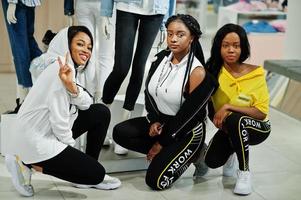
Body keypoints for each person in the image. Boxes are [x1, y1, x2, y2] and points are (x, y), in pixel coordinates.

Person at [5, 26, 121, 197]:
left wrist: (72, 88)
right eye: (80, 44)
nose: (86, 51)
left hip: (45, 131)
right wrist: (70, 154)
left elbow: (86, 102)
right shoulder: (58, 71)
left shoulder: (69, 69)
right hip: (35, 139)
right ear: (67, 45)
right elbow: (58, 121)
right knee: (96, 174)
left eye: (89, 47)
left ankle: (83, 169)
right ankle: (25, 163)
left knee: (100, 112)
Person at [112, 14, 218, 190]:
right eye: (170, 34)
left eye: (180, 34)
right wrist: (154, 119)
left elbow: (188, 116)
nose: (173, 39)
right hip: (163, 123)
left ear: (192, 38)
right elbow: (149, 93)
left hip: (187, 129)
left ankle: (198, 154)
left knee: (156, 181)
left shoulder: (197, 72)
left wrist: (161, 144)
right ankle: (173, 153)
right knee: (120, 133)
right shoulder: (160, 58)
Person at [100, 0, 176, 154]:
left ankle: (123, 128)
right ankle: (101, 120)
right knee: (121, 68)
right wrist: (105, 12)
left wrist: (167, 22)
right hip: (128, 6)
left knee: (139, 68)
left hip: (156, 10)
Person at [203, 23, 271, 195]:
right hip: (228, 127)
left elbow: (261, 112)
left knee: (235, 118)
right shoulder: (212, 72)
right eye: (225, 46)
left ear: (243, 48)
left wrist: (228, 106)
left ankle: (244, 172)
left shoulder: (255, 74)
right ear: (219, 47)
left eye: (236, 46)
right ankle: (233, 150)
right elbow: (209, 107)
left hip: (258, 127)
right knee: (211, 161)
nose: (231, 50)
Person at [1, 0, 42, 113]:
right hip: (29, 2)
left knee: (19, 48)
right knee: (29, 42)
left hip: (16, 2)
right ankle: (46, 77)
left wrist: (12, 2)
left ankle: (25, 100)